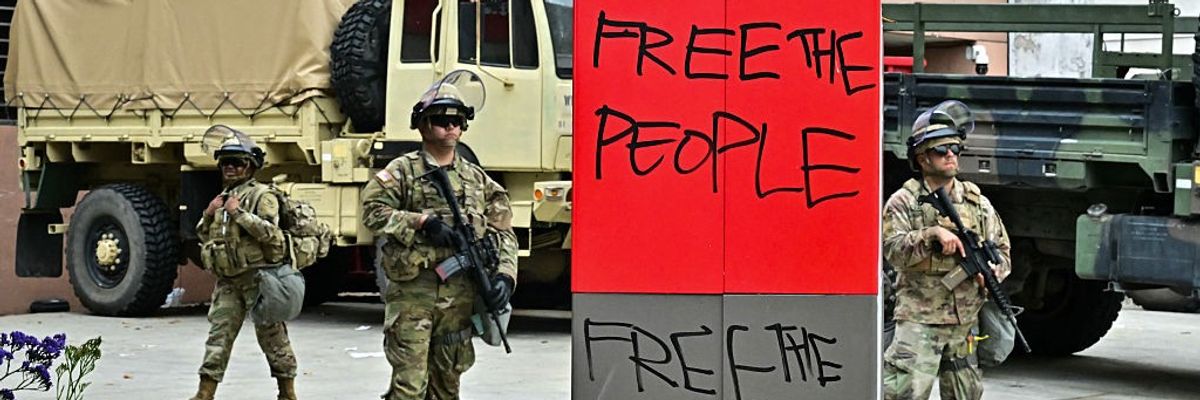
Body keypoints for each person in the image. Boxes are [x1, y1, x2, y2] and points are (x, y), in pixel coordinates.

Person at [361, 72, 518, 400]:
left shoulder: (477, 180)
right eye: (441, 120)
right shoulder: (403, 171)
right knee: (409, 388)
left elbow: (503, 231)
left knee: (447, 388)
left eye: (457, 121)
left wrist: (505, 276)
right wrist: (421, 222)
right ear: (422, 125)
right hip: (413, 296)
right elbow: (373, 212)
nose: (450, 127)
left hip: (458, 300)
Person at [882, 100, 1012, 400]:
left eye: (956, 148)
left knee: (966, 395)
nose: (951, 155)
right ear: (923, 158)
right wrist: (930, 235)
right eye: (942, 150)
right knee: (905, 394)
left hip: (964, 322)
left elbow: (1003, 250)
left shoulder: (977, 203)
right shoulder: (904, 201)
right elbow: (892, 250)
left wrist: (994, 271)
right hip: (919, 320)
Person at [190, 125, 298, 400]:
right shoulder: (223, 198)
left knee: (272, 338)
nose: (230, 168)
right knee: (218, 337)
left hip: (258, 279)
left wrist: (238, 214)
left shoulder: (262, 196)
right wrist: (209, 213)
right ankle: (204, 394)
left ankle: (287, 393)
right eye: (225, 163)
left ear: (250, 167)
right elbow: (204, 233)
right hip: (229, 281)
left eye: (237, 163)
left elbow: (271, 234)